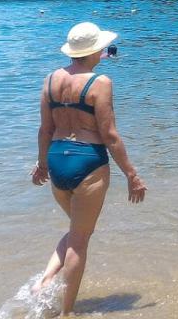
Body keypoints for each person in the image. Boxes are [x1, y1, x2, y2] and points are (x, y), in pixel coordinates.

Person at [31, 22, 147, 316]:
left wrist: (42, 164)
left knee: (77, 231)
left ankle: (44, 281)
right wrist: (132, 175)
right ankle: (66, 312)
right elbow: (109, 135)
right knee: (80, 240)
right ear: (95, 49)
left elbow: (45, 130)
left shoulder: (50, 80)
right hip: (88, 161)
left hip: (57, 158)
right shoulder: (101, 83)